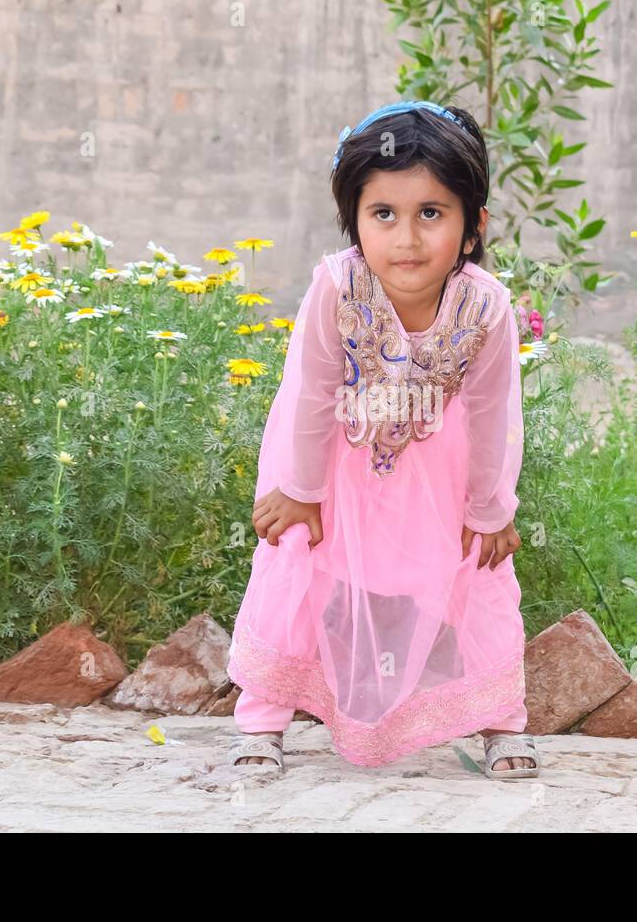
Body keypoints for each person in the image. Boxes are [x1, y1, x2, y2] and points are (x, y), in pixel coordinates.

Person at [225, 101, 538, 779]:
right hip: (332, 464)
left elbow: (493, 412)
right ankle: (261, 720)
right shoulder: (337, 288)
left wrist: (489, 506)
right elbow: (310, 390)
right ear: (354, 222)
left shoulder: (486, 307)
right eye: (383, 214)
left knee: (478, 574)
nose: (408, 237)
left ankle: (502, 722)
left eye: (432, 213)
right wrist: (302, 491)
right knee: (297, 567)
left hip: (441, 473)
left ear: (472, 225)